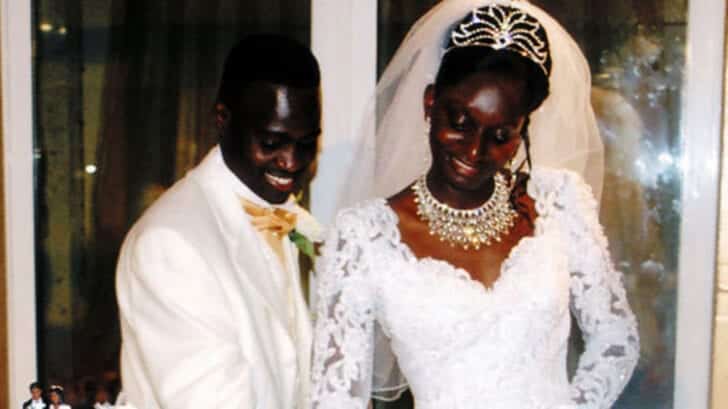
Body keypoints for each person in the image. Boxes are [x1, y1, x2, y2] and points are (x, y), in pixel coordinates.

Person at [311, 1, 639, 409]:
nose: (475, 150)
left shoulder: (560, 202)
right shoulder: (364, 235)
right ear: (431, 103)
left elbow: (615, 338)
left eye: (500, 134)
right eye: (460, 121)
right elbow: (335, 397)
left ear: (521, 133)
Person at [116, 34, 322, 409]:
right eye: (272, 142)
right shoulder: (171, 243)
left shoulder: (291, 219)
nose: (291, 162)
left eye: (306, 143)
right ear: (222, 120)